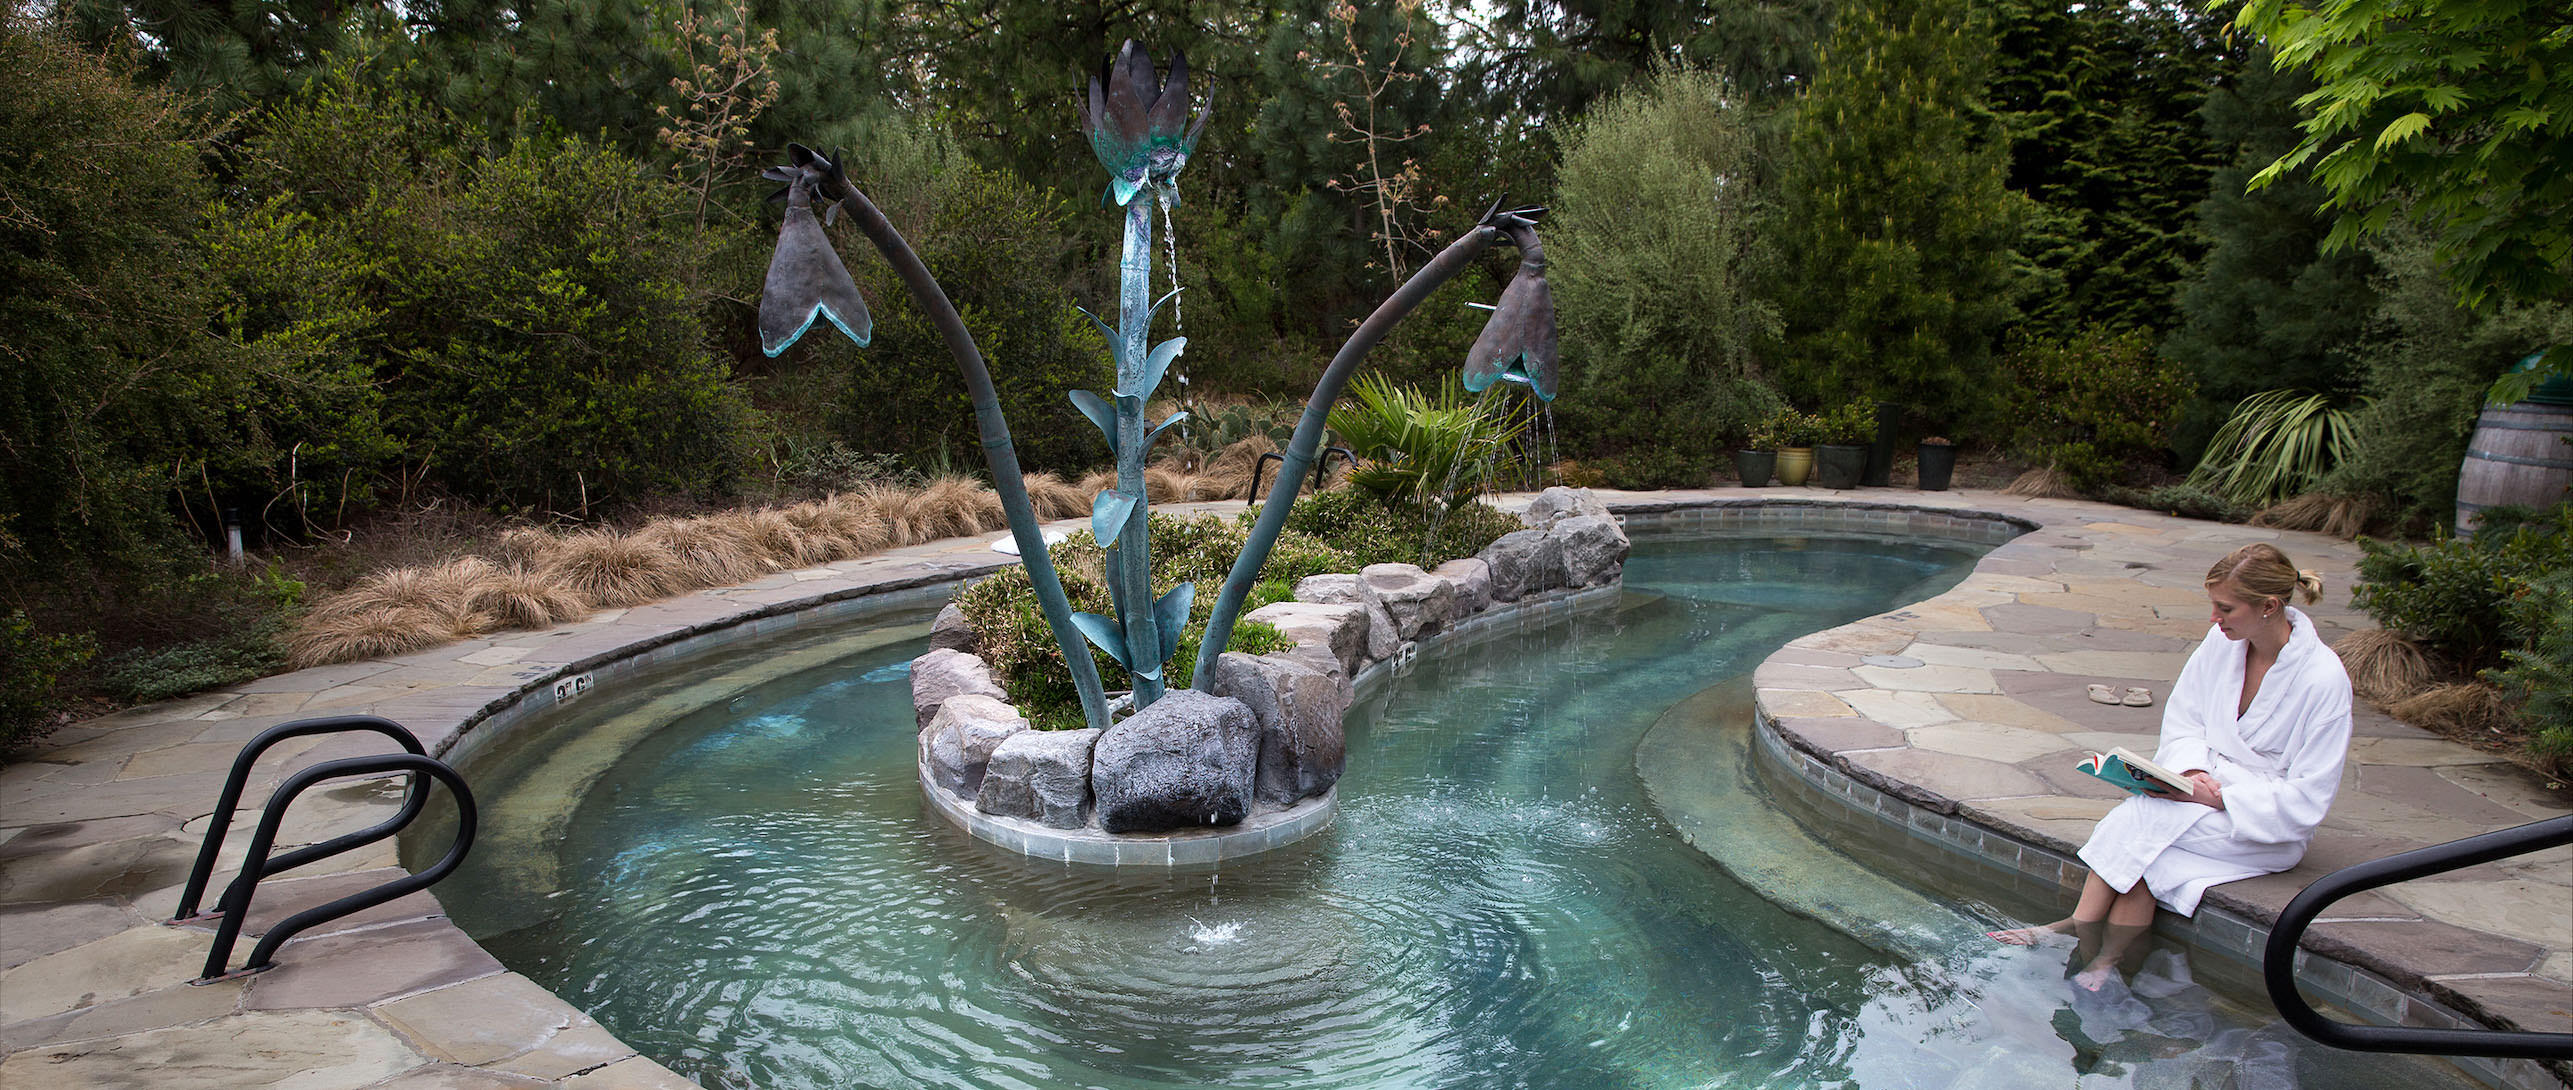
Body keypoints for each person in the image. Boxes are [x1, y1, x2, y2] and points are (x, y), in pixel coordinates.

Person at [1990, 543, 2353, 988]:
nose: (2214, 619)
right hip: (2197, 792)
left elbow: (2309, 796)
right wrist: (2191, 772)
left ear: (2269, 606)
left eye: (2225, 608)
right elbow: (2184, 719)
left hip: (2260, 822)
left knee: (2141, 818)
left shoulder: (2323, 679)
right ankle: (2106, 961)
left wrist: (2220, 798)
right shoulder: (2221, 645)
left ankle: (2070, 928)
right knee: (2147, 861)